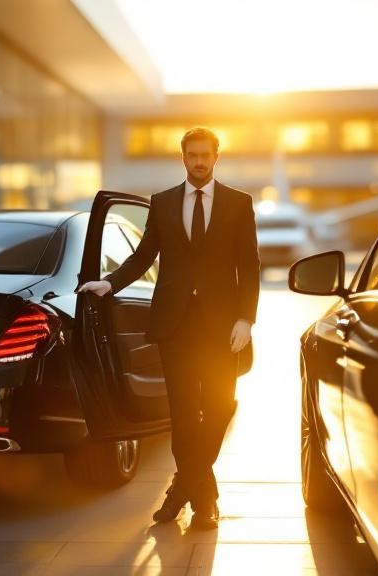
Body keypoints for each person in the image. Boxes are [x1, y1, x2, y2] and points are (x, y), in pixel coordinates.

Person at [77, 127, 260, 530]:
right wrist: (110, 283)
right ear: (183, 158)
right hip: (175, 327)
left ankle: (182, 488)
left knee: (218, 407)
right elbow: (144, 255)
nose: (198, 161)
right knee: (181, 415)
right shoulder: (162, 203)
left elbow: (248, 265)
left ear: (216, 157)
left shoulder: (238, 203)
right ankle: (205, 501)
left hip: (221, 327)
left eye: (205, 155)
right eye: (192, 154)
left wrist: (246, 318)